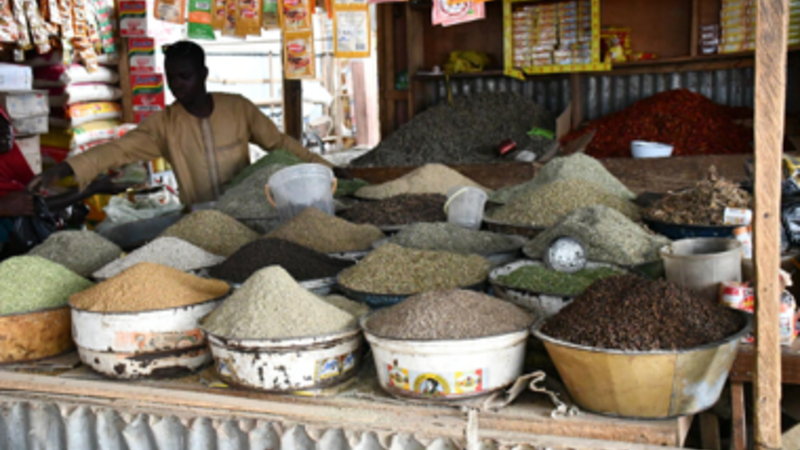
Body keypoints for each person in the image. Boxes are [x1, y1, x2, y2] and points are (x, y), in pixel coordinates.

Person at [32, 40, 346, 206]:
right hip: (200, 218)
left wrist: (327, 170)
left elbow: (281, 144)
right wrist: (63, 170)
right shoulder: (164, 125)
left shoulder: (238, 108)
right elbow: (116, 151)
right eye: (171, 78)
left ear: (204, 75)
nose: (177, 84)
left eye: (185, 76)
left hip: (249, 213)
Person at [0, 106, 127, 257]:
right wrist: (90, 189)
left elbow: (31, 197)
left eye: (5, 126)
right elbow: (31, 206)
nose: (6, 136)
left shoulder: (8, 158)